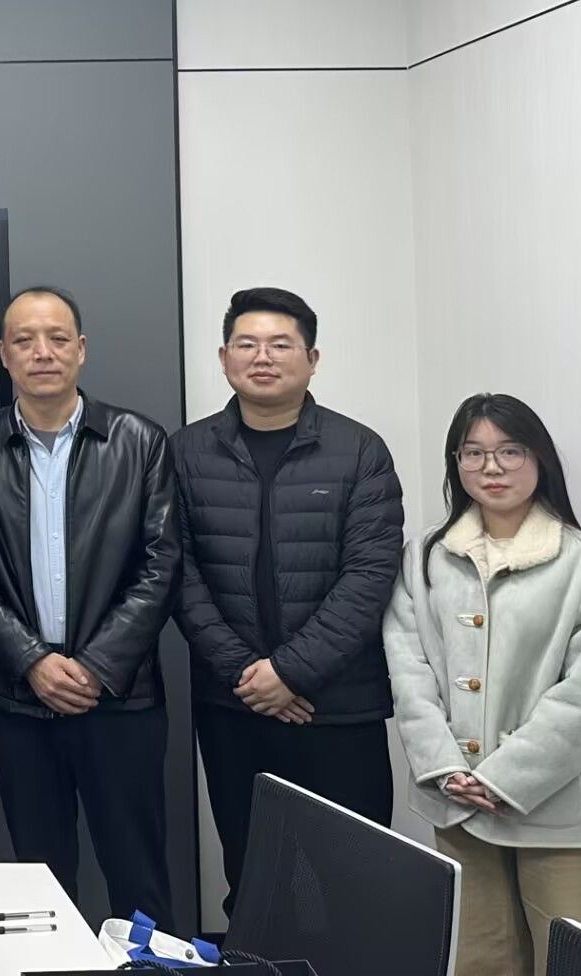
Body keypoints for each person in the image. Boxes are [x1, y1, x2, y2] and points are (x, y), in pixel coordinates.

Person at [0, 286, 179, 922]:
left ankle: (145, 966)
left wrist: (97, 667)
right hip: (20, 699)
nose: (41, 352)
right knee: (40, 879)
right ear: (4, 355)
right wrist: (32, 661)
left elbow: (161, 564)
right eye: (24, 340)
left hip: (120, 698)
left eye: (56, 338)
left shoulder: (140, 440)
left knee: (138, 875)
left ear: (81, 349)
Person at [172, 287, 403, 911]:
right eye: (247, 344)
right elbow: (178, 574)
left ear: (312, 358)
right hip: (234, 706)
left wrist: (291, 673)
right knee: (254, 881)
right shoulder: (186, 452)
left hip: (339, 706)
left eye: (280, 344)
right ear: (224, 358)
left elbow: (369, 575)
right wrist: (250, 677)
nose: (263, 357)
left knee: (355, 884)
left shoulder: (360, 449)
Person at [386, 394, 581, 976]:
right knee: (478, 960)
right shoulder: (423, 558)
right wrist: (445, 768)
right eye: (473, 453)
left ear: (540, 458)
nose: (491, 468)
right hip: (457, 800)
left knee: (576, 962)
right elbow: (410, 671)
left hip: (559, 809)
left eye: (510, 452)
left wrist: (503, 778)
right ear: (456, 463)